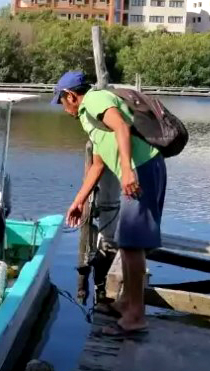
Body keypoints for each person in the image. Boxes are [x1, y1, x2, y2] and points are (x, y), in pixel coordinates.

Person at [55, 70, 167, 338]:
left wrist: (127, 171)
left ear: (71, 96)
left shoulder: (94, 100)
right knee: (126, 243)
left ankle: (136, 317)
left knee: (132, 244)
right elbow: (98, 164)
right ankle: (127, 303)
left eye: (61, 101)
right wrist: (78, 201)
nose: (62, 108)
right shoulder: (89, 118)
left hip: (141, 169)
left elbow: (121, 127)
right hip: (139, 169)